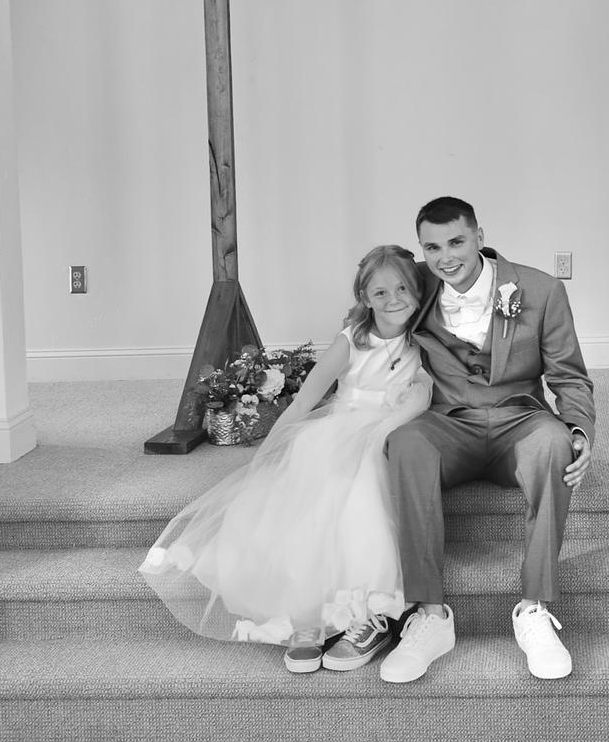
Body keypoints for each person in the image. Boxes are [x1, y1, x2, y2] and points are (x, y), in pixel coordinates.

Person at [139, 244, 432, 674]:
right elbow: (304, 402)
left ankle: (363, 613)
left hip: (387, 435)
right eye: (381, 292)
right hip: (338, 432)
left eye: (403, 288)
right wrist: (272, 450)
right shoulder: (352, 341)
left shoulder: (424, 341)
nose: (394, 299)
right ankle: (305, 618)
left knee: (364, 501)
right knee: (312, 505)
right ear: (364, 298)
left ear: (418, 291)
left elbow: (429, 387)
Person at [380, 197, 595, 685]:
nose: (445, 257)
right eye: (432, 247)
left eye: (456, 242)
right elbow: (369, 310)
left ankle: (534, 609)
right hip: (448, 422)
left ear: (480, 236)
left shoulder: (541, 289)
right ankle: (431, 616)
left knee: (554, 443)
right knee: (405, 443)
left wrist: (580, 429)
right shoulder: (414, 284)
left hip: (519, 420)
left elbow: (569, 375)